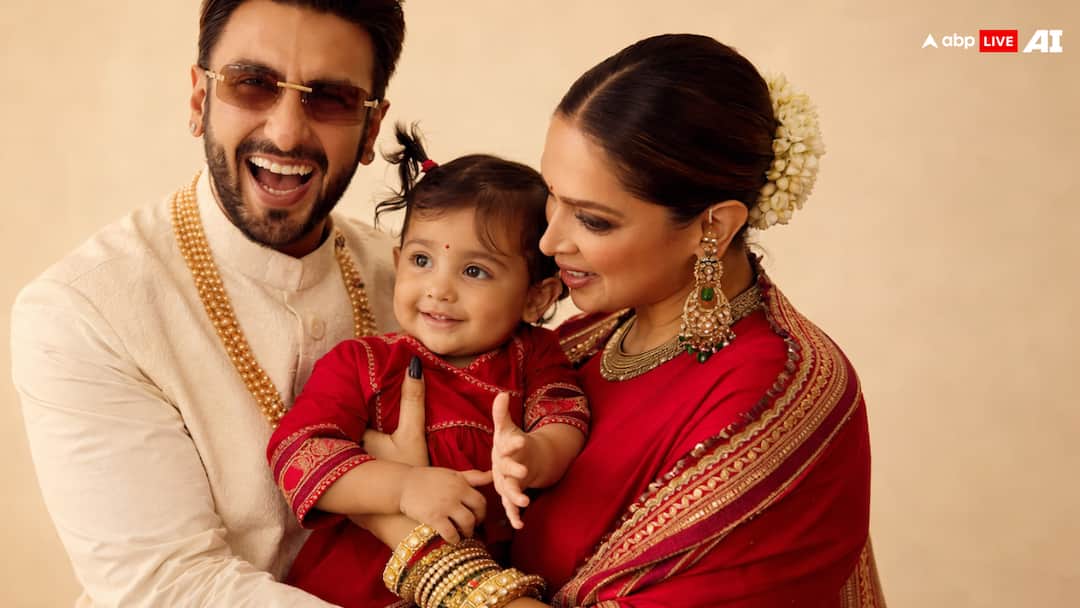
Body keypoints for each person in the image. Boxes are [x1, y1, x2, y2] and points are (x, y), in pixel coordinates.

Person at [360, 34, 886, 607]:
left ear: (712, 227)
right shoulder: (584, 340)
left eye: (593, 220)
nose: (549, 240)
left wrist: (404, 530)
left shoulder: (777, 400)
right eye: (553, 198)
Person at [10, 1, 406, 605]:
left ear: (371, 128)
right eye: (252, 84)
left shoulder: (418, 284)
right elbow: (170, 584)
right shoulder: (85, 310)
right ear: (200, 99)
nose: (286, 133)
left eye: (330, 98)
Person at [266, 125, 590, 608]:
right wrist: (403, 487)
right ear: (397, 263)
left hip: (485, 589)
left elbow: (564, 417)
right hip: (351, 590)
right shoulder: (365, 363)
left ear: (536, 297)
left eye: (474, 271)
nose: (439, 288)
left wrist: (534, 454)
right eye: (421, 260)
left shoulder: (535, 357)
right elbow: (297, 453)